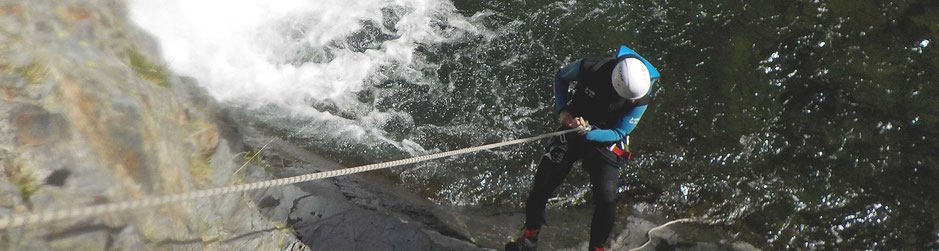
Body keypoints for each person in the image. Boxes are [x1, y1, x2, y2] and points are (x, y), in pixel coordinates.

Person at [505, 45, 660, 251]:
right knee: (544, 181)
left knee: (607, 197)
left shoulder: (640, 93)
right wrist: (562, 111)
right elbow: (561, 77)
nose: (632, 101)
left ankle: (597, 247)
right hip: (572, 129)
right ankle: (530, 235)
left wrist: (589, 132)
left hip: (606, 139)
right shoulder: (590, 67)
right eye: (629, 98)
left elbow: (620, 132)